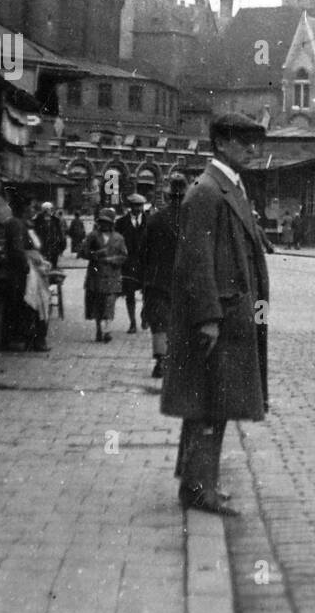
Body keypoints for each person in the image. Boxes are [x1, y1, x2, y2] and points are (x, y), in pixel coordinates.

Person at [162, 114, 271, 517]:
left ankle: (197, 483)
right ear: (221, 143)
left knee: (213, 404)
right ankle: (200, 489)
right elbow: (195, 259)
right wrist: (208, 316)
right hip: (218, 319)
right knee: (208, 404)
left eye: (254, 142)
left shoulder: (229, 187)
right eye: (244, 141)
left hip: (232, 316)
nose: (252, 149)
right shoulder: (208, 191)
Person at [138, 175, 188, 379]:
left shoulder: (155, 219)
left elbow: (144, 252)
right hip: (186, 280)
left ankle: (160, 362)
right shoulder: (195, 219)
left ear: (167, 196)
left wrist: (145, 279)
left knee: (159, 322)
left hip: (158, 280)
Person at [1, 195, 51, 352]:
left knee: (36, 305)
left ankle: (32, 339)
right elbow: (17, 249)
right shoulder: (16, 224)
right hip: (25, 273)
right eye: (31, 207)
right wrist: (27, 267)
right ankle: (33, 340)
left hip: (33, 270)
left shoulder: (25, 224)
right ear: (23, 208)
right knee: (32, 305)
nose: (34, 210)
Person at [84, 208, 128, 343]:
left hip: (112, 276)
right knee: (98, 304)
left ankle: (107, 330)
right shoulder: (93, 236)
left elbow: (124, 255)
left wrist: (112, 260)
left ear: (111, 224)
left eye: (106, 222)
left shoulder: (118, 238)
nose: (104, 225)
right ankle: (98, 329)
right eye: (101, 222)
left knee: (109, 304)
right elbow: (82, 252)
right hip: (96, 275)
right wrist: (95, 254)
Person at [116, 194, 149, 333]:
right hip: (128, 264)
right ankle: (132, 322)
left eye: (140, 206)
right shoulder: (121, 223)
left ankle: (144, 316)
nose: (138, 208)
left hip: (145, 263)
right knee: (129, 294)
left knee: (148, 293)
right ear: (130, 207)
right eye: (135, 206)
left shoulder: (150, 221)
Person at [33, 202, 66, 270]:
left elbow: (59, 234)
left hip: (54, 248)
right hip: (43, 247)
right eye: (50, 209)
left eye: (51, 209)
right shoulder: (37, 220)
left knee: (53, 266)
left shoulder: (55, 220)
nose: (51, 210)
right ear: (45, 210)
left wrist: (61, 245)